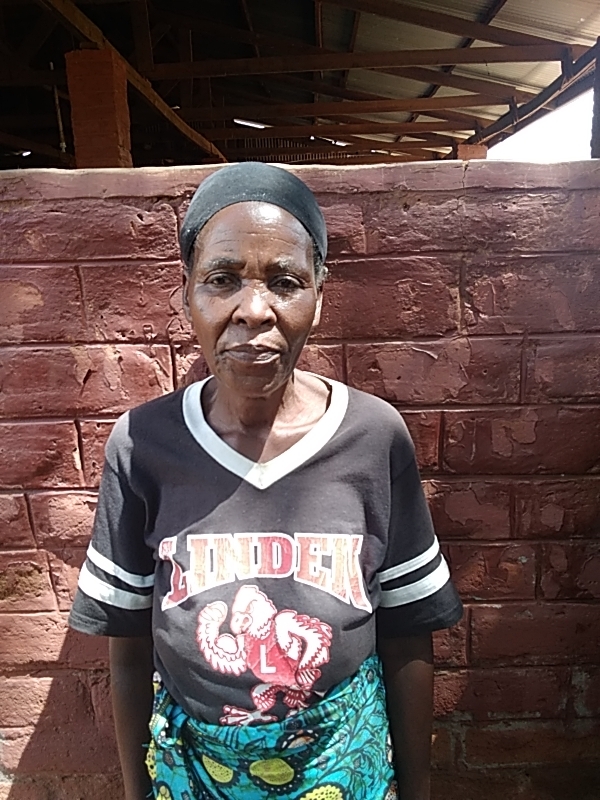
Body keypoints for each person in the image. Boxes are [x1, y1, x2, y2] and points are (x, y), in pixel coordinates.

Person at [68, 162, 463, 800]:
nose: (253, 311)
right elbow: (130, 647)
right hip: (196, 772)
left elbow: (408, 630)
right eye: (222, 280)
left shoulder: (373, 436)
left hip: (345, 766)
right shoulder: (142, 444)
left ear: (318, 297)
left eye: (284, 282)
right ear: (188, 294)